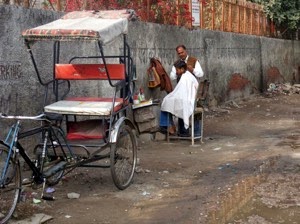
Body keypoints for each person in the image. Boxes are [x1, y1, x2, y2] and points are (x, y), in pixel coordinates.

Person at [170, 45, 204, 137]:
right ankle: (183, 132)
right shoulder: (177, 64)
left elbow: (200, 74)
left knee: (193, 107)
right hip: (182, 92)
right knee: (181, 106)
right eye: (179, 53)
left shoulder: (194, 60)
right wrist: (178, 72)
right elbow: (172, 77)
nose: (181, 54)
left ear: (186, 51)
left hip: (192, 92)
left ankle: (196, 132)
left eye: (182, 52)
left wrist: (192, 69)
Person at [159, 60, 199, 135]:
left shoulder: (185, 78)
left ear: (182, 69)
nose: (176, 72)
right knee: (169, 102)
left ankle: (168, 126)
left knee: (165, 103)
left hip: (189, 102)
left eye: (177, 70)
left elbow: (182, 93)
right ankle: (180, 131)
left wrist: (171, 96)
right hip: (193, 101)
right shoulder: (189, 76)